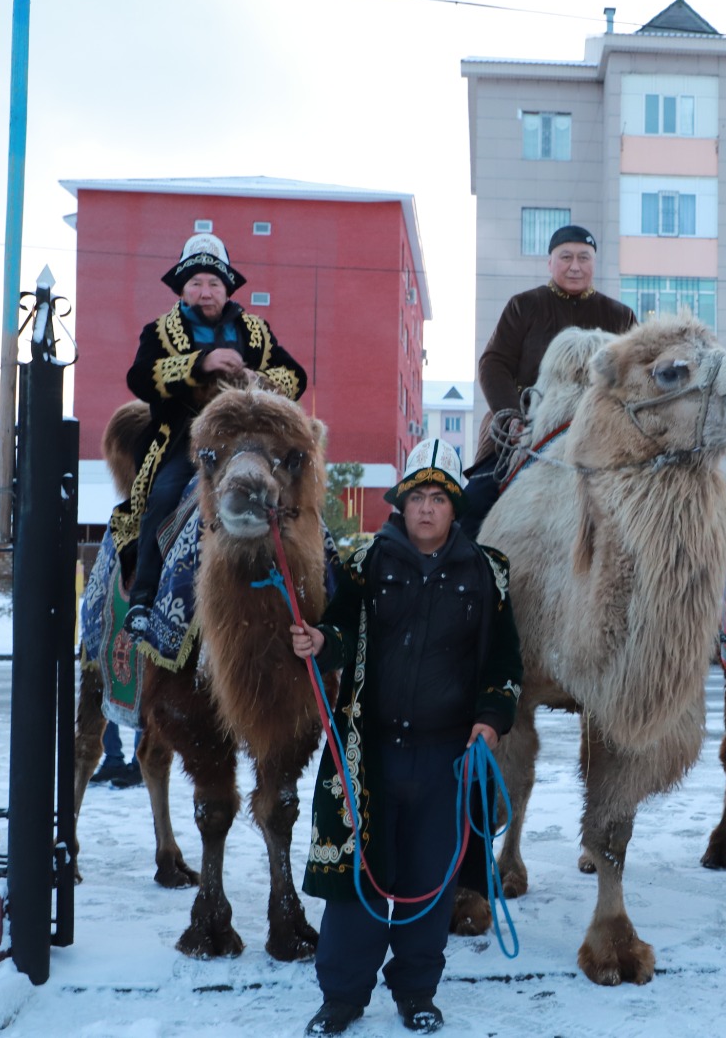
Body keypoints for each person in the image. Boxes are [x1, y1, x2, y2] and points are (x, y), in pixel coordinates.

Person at [295, 439, 522, 1035]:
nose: (426, 508)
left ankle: (417, 991)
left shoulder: (489, 572)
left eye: (438, 498)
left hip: (448, 757)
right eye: (416, 496)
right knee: (357, 884)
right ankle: (342, 996)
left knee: (430, 885)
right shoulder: (364, 559)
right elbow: (340, 625)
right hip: (368, 754)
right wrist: (323, 643)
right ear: (402, 503)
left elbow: (505, 663)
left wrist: (491, 720)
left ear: (454, 506)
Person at [115, 233, 306, 637]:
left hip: (250, 441)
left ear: (227, 289)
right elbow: (141, 378)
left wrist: (260, 378)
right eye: (197, 283)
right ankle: (144, 600)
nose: (206, 292)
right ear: (183, 289)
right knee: (163, 497)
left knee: (299, 498)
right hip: (183, 441)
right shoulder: (160, 331)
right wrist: (201, 363)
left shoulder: (255, 331)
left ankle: (309, 590)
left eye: (214, 283)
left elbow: (296, 377)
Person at [461, 225, 636, 535]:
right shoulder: (524, 306)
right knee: (473, 505)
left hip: (600, 434)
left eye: (584, 257)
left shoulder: (620, 315)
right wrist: (510, 415)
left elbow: (636, 374)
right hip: (524, 429)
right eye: (565, 257)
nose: (575, 266)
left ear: (594, 263)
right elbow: (493, 362)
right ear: (550, 263)